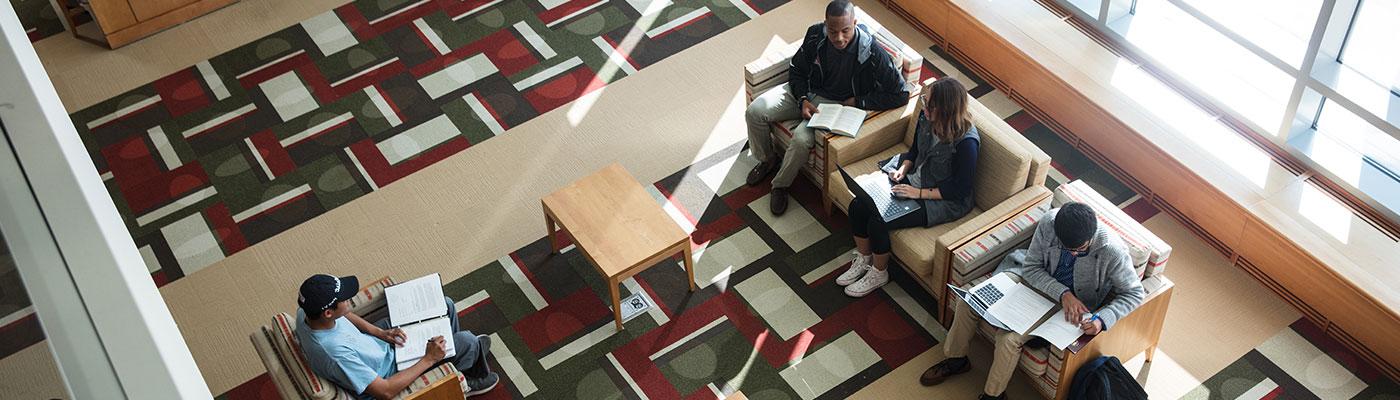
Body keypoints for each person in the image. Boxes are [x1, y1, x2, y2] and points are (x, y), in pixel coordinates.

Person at [918, 203, 1146, 399]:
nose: (1074, 254)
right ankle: (956, 360)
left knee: (1008, 339)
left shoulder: (1113, 251)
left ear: (1092, 235)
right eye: (1069, 249)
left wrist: (1101, 320)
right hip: (1031, 279)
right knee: (969, 302)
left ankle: (993, 395)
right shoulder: (1049, 223)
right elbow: (1032, 267)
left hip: (1064, 306)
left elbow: (1135, 293)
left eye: (1081, 249)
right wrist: (1063, 293)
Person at [744, 0, 910, 215]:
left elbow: (901, 95)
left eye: (845, 31)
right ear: (825, 25)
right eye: (833, 32)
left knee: (802, 140)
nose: (839, 38)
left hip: (834, 105)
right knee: (755, 111)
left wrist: (859, 102)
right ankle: (767, 160)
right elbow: (797, 71)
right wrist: (802, 98)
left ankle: (780, 185)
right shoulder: (815, 35)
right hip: (806, 92)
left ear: (855, 23)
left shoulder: (872, 53)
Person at [836, 77, 978, 298]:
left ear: (946, 110)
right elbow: (914, 151)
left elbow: (960, 189)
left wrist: (918, 193)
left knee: (878, 218)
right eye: (924, 100)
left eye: (929, 104)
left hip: (945, 200)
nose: (924, 106)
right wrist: (904, 168)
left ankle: (879, 273)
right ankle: (864, 259)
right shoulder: (926, 116)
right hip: (913, 180)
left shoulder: (966, 143)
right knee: (858, 204)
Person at [295, 274, 499, 399]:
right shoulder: (336, 354)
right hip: (389, 372)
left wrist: (379, 332)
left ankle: (460, 356)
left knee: (444, 304)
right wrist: (429, 359)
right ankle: (466, 378)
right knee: (467, 341)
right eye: (343, 299)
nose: (349, 299)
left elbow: (345, 314)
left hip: (375, 345)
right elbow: (385, 391)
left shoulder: (307, 312)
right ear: (328, 313)